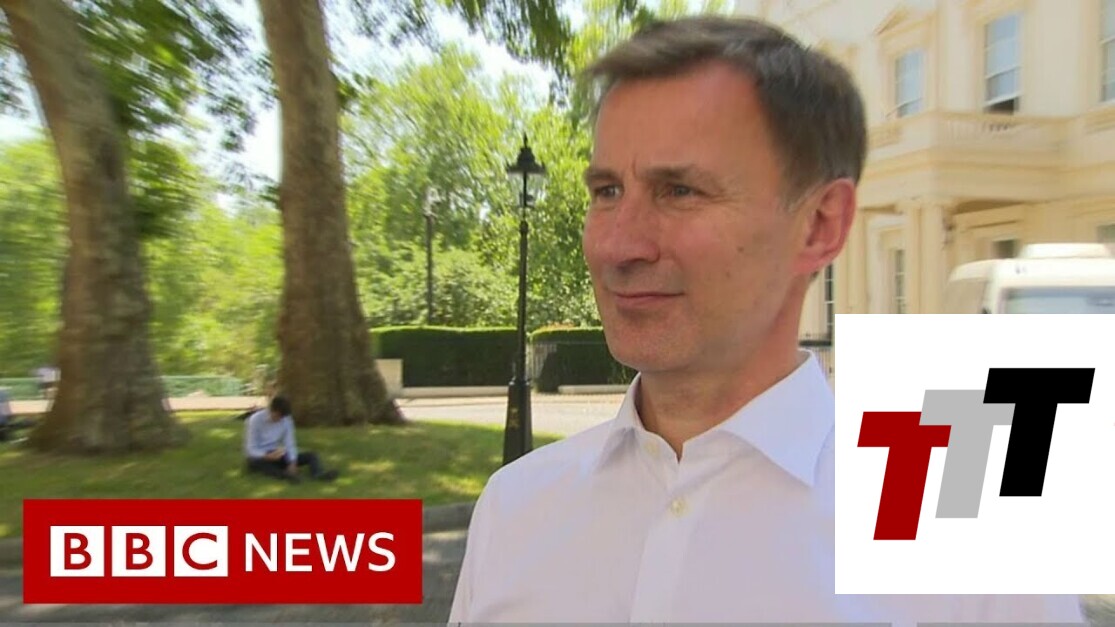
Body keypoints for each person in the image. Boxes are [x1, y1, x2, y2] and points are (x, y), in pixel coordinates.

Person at [449, 16, 1082, 624]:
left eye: (680, 191)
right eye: (607, 191)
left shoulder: (968, 529)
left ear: (819, 225)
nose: (619, 245)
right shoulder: (514, 509)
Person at [243, 395, 338, 483]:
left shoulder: (286, 420)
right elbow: (251, 448)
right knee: (256, 463)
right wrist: (266, 456)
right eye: (277, 416)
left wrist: (292, 462)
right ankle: (286, 476)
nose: (279, 419)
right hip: (260, 455)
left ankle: (318, 474)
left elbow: (290, 443)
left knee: (311, 455)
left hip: (275, 453)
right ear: (271, 410)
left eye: (282, 417)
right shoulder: (255, 420)